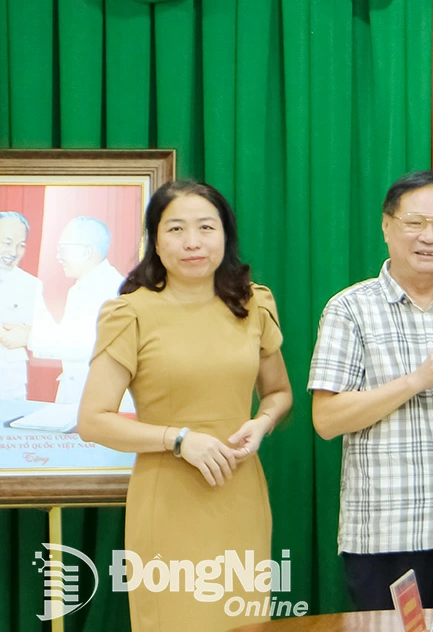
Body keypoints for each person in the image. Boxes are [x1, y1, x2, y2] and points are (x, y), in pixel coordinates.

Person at [77, 180, 292, 632]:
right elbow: (93, 421)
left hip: (240, 491)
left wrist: (263, 422)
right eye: (175, 229)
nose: (192, 242)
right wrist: (177, 439)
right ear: (155, 239)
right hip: (168, 499)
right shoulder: (130, 312)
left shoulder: (252, 304)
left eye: (206, 227)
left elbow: (279, 393)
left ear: (225, 235)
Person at [308, 171, 433, 612]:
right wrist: (417, 379)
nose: (429, 237)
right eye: (415, 223)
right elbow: (326, 420)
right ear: (386, 225)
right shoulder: (350, 308)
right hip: (385, 534)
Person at [22, 217, 126, 403]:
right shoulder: (79, 288)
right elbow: (67, 335)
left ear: (87, 251)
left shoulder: (113, 290)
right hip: (77, 396)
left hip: (101, 401)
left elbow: (85, 344)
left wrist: (28, 337)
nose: (58, 256)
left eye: (63, 248)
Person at [0, 211, 43, 400]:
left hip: (10, 385)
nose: (13, 252)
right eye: (7, 243)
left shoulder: (30, 284)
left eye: (21, 245)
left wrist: (29, 334)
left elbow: (44, 329)